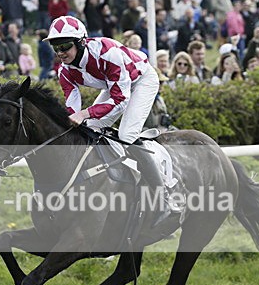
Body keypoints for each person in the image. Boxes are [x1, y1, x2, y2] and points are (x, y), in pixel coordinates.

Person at [45, 15, 177, 226]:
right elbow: (73, 109)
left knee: (127, 134)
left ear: (81, 42)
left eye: (65, 46)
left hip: (142, 80)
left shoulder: (107, 53)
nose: (60, 53)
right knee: (88, 129)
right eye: (56, 47)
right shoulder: (65, 70)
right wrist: (74, 120)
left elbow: (120, 100)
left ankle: (164, 199)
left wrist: (84, 114)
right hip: (114, 85)